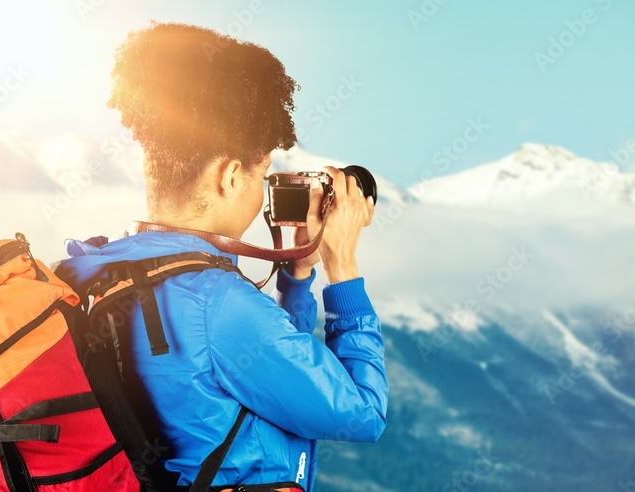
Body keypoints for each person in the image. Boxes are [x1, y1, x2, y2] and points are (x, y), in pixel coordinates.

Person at [54, 23, 387, 491]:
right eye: (263, 170)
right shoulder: (219, 303)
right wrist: (343, 268)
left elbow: (265, 374)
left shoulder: (106, 271)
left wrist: (297, 277)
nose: (264, 187)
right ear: (231, 176)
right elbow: (363, 413)